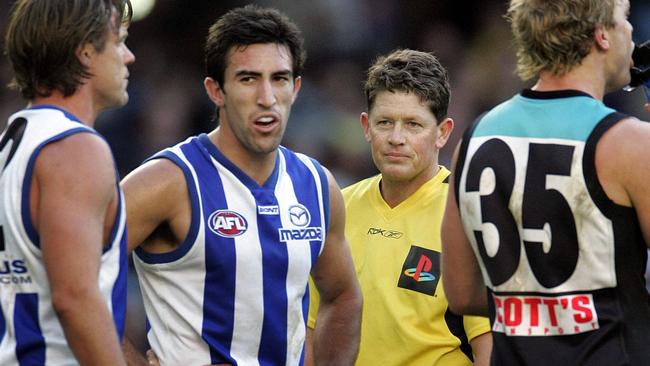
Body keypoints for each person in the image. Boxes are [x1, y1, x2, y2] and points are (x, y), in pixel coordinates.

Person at [121, 5, 362, 366]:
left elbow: (343, 296)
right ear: (215, 90)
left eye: (279, 79)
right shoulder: (167, 181)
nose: (267, 98)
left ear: (296, 88)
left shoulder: (316, 185)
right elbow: (70, 281)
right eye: (249, 79)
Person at [442, 0, 650, 364]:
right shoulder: (629, 142)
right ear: (602, 34)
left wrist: (535, 304)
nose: (631, 31)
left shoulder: (472, 139)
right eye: (624, 18)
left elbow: (460, 293)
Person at [306, 49, 492, 366]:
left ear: (443, 133)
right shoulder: (337, 206)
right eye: (384, 122)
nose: (396, 138)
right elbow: (311, 331)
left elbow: (489, 348)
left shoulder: (467, 216)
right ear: (365, 126)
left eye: (413, 125)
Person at [0, 0, 135, 365]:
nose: (129, 56)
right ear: (86, 53)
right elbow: (74, 297)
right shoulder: (76, 149)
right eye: (119, 41)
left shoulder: (12, 141)